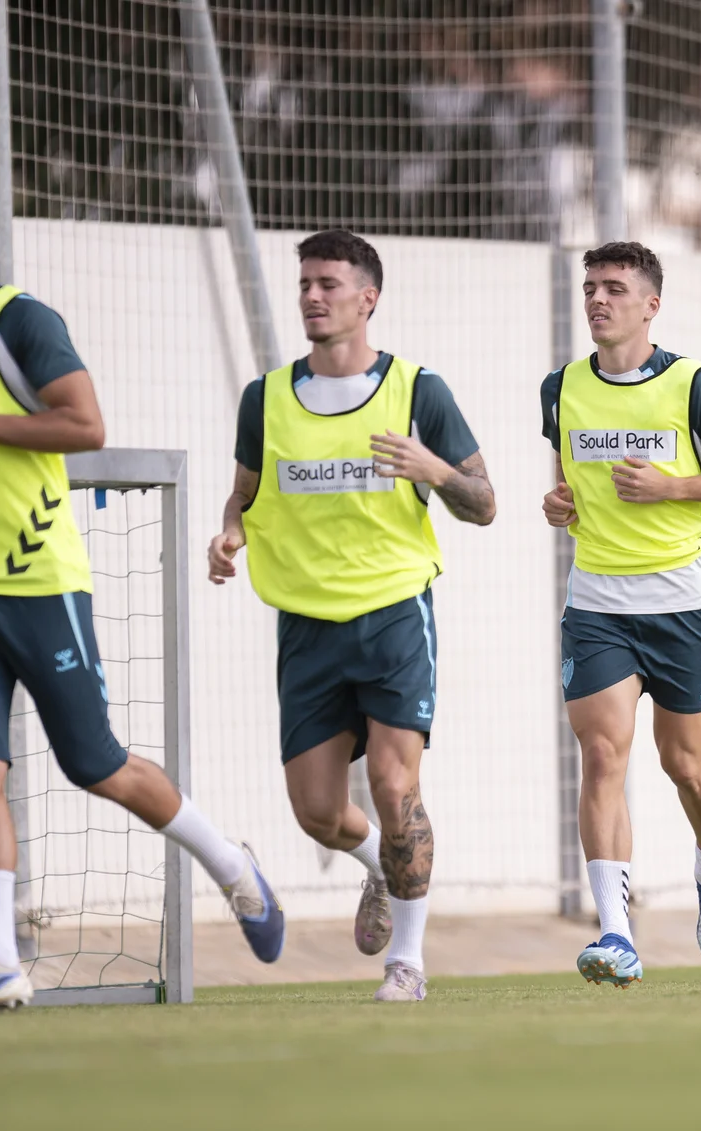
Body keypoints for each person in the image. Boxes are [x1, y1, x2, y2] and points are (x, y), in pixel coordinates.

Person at [0, 173, 284, 1014]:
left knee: (93, 762)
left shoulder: (20, 320)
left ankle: (232, 866)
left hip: (38, 584)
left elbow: (85, 426)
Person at [209, 229, 495, 1003]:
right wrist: (231, 531)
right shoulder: (264, 398)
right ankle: (380, 867)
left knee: (397, 789)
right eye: (305, 283)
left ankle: (408, 959)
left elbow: (484, 504)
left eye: (328, 284)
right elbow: (247, 488)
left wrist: (430, 467)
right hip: (306, 625)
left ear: (368, 298)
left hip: (394, 614)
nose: (311, 296)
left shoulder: (416, 390)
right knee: (319, 813)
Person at [541, 241, 701, 988]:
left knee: (685, 765)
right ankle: (616, 931)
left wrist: (673, 488)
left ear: (651, 304)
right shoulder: (560, 387)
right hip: (597, 603)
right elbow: (567, 480)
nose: (598, 299)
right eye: (590, 288)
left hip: (679, 603)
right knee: (604, 755)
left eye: (615, 287)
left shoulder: (692, 385)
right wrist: (558, 503)